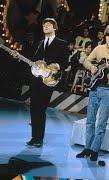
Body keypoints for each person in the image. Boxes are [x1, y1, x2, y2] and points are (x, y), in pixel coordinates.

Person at [12, 18, 68, 147]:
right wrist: (19, 57)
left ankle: (39, 138)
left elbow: (65, 63)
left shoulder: (61, 43)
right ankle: (34, 137)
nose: (45, 27)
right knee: (33, 108)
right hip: (36, 80)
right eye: (44, 25)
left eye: (48, 25)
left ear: (55, 28)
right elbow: (33, 61)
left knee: (41, 109)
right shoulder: (39, 43)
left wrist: (55, 66)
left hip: (49, 80)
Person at [76, 24, 109, 162]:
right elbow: (86, 61)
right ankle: (87, 147)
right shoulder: (99, 48)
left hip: (108, 89)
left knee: (101, 123)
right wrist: (91, 66)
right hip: (94, 87)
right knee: (90, 121)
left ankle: (95, 150)